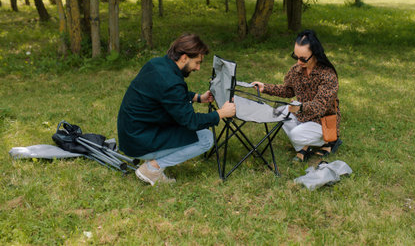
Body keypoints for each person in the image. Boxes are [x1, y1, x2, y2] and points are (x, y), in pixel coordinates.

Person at [117, 33, 236, 185]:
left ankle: (152, 161)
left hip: (132, 134)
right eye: (197, 63)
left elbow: (168, 95)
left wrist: (197, 97)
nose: (198, 68)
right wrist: (220, 113)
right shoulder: (171, 82)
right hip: (140, 141)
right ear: (184, 57)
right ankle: (152, 168)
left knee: (186, 128)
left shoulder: (157, 64)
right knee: (206, 138)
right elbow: (191, 122)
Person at [252, 30, 341, 162]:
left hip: (322, 121)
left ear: (315, 54)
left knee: (295, 135)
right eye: (296, 57)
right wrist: (265, 87)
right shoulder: (296, 70)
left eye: (303, 58)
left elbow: (320, 106)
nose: (298, 62)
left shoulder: (328, 75)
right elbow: (288, 90)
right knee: (278, 113)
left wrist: (299, 107)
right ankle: (306, 146)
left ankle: (329, 141)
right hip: (303, 116)